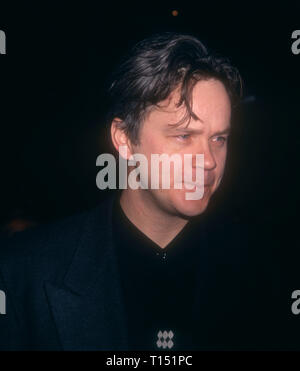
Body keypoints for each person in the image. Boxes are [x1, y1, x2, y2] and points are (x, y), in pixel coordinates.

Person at [0, 33, 285, 350]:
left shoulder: (264, 271)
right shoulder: (23, 272)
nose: (208, 161)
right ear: (124, 140)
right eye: (183, 136)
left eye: (219, 138)